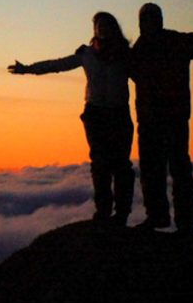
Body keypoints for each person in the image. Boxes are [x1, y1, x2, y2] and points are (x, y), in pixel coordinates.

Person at [9, 12, 135, 224]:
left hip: (118, 113)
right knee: (100, 164)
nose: (102, 29)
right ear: (94, 29)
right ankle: (103, 212)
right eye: (98, 25)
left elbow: (148, 73)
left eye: (106, 25)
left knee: (121, 165)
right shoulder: (87, 54)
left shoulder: (126, 54)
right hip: (95, 114)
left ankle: (121, 213)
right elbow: (58, 64)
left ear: (114, 28)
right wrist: (28, 69)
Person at [130, 0, 193, 235]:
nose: (148, 23)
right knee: (153, 173)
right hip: (152, 120)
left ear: (159, 20)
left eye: (151, 19)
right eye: (145, 19)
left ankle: (183, 223)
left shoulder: (173, 43)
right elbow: (113, 62)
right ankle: (159, 218)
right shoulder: (138, 51)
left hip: (172, 119)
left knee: (177, 171)